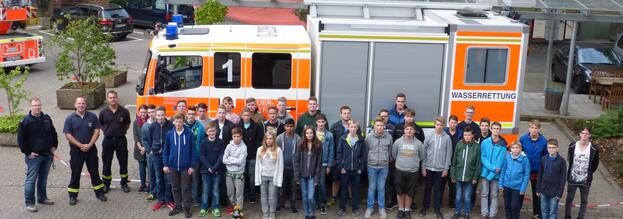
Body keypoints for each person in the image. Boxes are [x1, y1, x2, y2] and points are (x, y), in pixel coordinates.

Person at [63, 97, 107, 206]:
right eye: (79, 103)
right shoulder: (70, 118)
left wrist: (90, 144)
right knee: (75, 173)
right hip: (76, 152)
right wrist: (80, 145)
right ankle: (73, 195)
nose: (81, 105)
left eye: (83, 103)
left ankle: (99, 193)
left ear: (86, 105)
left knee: (94, 172)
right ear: (75, 105)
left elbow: (97, 131)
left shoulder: (92, 116)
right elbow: (68, 135)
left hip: (91, 150)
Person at [18, 97, 58, 212]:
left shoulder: (46, 118)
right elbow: (21, 140)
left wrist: (54, 146)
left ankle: (42, 198)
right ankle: (30, 203)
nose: (38, 107)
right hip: (34, 157)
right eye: (35, 105)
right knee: (31, 180)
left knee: (43, 179)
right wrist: (28, 153)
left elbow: (53, 133)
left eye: (39, 105)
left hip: (47, 155)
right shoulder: (25, 121)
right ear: (30, 107)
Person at [163, 113, 197, 218]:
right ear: (173, 122)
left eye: (180, 121)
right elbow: (166, 150)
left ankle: (186, 208)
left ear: (183, 122)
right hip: (173, 167)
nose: (178, 123)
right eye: (176, 121)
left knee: (186, 188)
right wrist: (165, 164)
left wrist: (192, 166)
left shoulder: (189, 134)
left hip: (185, 167)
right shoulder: (169, 134)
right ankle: (178, 207)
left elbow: (193, 151)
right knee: (175, 187)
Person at [99, 90, 132, 193]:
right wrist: (107, 131)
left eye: (114, 97)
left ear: (117, 98)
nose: (112, 99)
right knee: (106, 163)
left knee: (123, 162)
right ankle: (106, 184)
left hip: (121, 140)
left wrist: (120, 131)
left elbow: (127, 124)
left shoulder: (124, 111)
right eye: (110, 98)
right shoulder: (103, 112)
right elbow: (100, 124)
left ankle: (124, 183)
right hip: (108, 141)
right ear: (107, 99)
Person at [420, 117, 452, 219]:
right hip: (428, 168)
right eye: (437, 124)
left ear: (443, 126)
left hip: (440, 170)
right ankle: (425, 208)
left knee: (438, 190)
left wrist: (446, 168)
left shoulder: (447, 138)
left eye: (441, 125)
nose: (439, 127)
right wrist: (423, 167)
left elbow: (448, 154)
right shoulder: (429, 136)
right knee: (427, 189)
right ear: (434, 125)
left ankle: (437, 210)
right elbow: (424, 152)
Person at [329, 106, 361, 207]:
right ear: (341, 114)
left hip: (350, 160)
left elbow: (359, 141)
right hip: (338, 158)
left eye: (348, 113)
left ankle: (351, 199)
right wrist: (333, 158)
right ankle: (334, 198)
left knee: (350, 181)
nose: (346, 115)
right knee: (336, 179)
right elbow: (332, 142)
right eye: (344, 113)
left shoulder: (354, 126)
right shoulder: (335, 126)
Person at [564, 127, 599, 219]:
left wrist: (589, 172)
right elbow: (570, 159)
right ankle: (567, 216)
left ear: (589, 135)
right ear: (579, 134)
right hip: (573, 177)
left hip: (586, 179)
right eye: (583, 133)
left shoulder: (594, 148)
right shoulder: (572, 146)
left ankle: (580, 217)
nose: (584, 135)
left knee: (584, 200)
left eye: (586, 133)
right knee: (569, 199)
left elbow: (595, 164)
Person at [392, 123, 426, 219]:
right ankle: (400, 209)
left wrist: (413, 162)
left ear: (414, 131)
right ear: (404, 130)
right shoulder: (398, 142)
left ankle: (407, 210)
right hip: (399, 170)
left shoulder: (419, 143)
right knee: (399, 191)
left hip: (413, 172)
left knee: (409, 192)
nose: (409, 131)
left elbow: (422, 156)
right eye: (407, 129)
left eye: (411, 129)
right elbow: (394, 155)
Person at [146, 106, 175, 211]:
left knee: (168, 179)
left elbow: (172, 140)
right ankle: (161, 200)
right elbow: (149, 140)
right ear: (155, 115)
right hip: (156, 156)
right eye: (158, 115)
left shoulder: (171, 126)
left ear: (165, 115)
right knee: (159, 178)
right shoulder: (152, 126)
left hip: (167, 156)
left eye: (162, 115)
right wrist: (152, 150)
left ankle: (169, 200)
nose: (160, 117)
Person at [336, 120, 366, 217]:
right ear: (348, 128)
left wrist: (361, 168)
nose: (353, 129)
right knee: (344, 190)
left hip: (356, 170)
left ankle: (355, 208)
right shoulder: (343, 139)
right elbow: (339, 154)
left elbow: (363, 155)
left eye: (355, 127)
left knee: (355, 190)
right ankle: (342, 208)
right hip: (345, 170)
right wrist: (341, 167)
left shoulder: (361, 140)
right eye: (351, 127)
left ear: (357, 128)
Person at [364, 117, 393, 219]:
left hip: (384, 166)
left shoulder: (389, 137)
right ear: (374, 126)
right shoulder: (369, 137)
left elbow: (390, 151)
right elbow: (366, 151)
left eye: (381, 125)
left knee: (381, 188)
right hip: (371, 166)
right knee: (372, 187)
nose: (380, 127)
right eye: (378, 125)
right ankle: (370, 208)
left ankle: (381, 208)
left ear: (384, 126)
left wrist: (385, 160)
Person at [450, 127, 481, 219]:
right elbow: (454, 160)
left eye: (469, 135)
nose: (467, 137)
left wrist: (475, 177)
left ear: (472, 136)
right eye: (465, 135)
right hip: (458, 175)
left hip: (470, 176)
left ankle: (466, 213)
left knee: (467, 196)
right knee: (458, 195)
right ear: (463, 135)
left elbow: (478, 163)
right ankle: (457, 211)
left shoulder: (477, 146)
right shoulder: (459, 144)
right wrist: (453, 174)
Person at [519, 120, 548, 219]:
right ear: (529, 128)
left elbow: (545, 155)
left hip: (537, 172)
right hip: (525, 170)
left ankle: (537, 213)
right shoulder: (523, 139)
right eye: (532, 128)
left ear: (539, 129)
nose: (534, 130)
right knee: (520, 191)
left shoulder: (544, 141)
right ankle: (516, 210)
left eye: (536, 128)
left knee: (537, 194)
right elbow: (519, 152)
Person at [479, 122, 507, 219]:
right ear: (490, 129)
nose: (495, 130)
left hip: (496, 174)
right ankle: (484, 213)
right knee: (484, 193)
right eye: (494, 128)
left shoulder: (503, 144)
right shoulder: (484, 142)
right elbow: (483, 157)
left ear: (500, 130)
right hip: (486, 173)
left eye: (497, 129)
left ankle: (492, 214)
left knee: (494, 195)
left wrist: (493, 173)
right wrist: (492, 169)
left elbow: (501, 161)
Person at [295, 127, 324, 219]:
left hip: (312, 175)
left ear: (314, 134)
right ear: (304, 134)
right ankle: (307, 214)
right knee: (304, 195)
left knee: (310, 196)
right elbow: (296, 161)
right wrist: (297, 177)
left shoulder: (318, 145)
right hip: (302, 175)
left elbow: (319, 163)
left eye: (311, 133)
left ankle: (312, 213)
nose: (309, 135)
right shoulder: (300, 144)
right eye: (307, 133)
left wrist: (316, 178)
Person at [255, 132, 284, 219]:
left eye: (271, 139)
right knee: (263, 195)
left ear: (274, 140)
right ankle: (265, 212)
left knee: (272, 196)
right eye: (267, 139)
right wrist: (257, 178)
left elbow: (280, 166)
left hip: (273, 177)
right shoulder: (260, 149)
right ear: (264, 140)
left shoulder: (278, 150)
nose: (269, 140)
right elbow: (257, 165)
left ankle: (272, 212)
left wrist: (279, 180)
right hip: (263, 176)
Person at [237, 108, 264, 204]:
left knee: (252, 178)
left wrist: (255, 149)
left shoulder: (257, 126)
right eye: (244, 115)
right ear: (241, 116)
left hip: (252, 156)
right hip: (241, 157)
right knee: (242, 177)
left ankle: (252, 196)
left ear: (251, 116)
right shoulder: (238, 126)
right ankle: (242, 196)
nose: (246, 117)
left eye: (248, 115)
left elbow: (259, 140)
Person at [199, 122, 225, 217]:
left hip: (217, 170)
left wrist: (214, 168)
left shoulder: (220, 142)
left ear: (216, 131)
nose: (212, 132)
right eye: (210, 131)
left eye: (213, 130)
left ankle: (215, 208)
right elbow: (202, 156)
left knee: (215, 189)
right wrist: (209, 167)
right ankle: (204, 207)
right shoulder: (203, 142)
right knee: (205, 190)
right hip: (205, 170)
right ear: (206, 132)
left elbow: (221, 155)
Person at [536, 138, 566, 219]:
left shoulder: (562, 161)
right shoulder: (543, 159)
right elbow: (540, 175)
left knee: (553, 212)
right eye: (549, 147)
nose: (551, 149)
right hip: (543, 190)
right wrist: (538, 189)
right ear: (547, 148)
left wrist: (560, 193)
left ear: (557, 148)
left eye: (553, 147)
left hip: (555, 192)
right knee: (544, 210)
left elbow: (563, 178)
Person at [499, 141, 530, 219]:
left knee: (514, 206)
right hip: (506, 186)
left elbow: (527, 175)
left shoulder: (524, 159)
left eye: (517, 148)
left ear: (520, 149)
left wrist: (523, 188)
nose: (515, 150)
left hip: (517, 187)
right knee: (507, 205)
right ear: (510, 149)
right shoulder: (507, 157)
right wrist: (500, 184)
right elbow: (503, 170)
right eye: (513, 148)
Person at [276, 118, 301, 213]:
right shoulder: (279, 138)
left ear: (294, 127)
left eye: (291, 126)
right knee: (281, 187)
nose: (289, 128)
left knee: (293, 188)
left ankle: (293, 206)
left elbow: (299, 153)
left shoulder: (298, 138)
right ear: (284, 127)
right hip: (282, 167)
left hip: (294, 167)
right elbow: (276, 152)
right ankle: (280, 204)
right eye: (287, 126)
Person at [223, 127, 248, 213]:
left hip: (239, 173)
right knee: (230, 192)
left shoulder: (244, 147)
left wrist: (230, 158)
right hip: (229, 172)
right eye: (234, 136)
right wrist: (235, 159)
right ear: (232, 136)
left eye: (238, 136)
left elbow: (240, 161)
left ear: (241, 136)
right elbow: (224, 159)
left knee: (239, 193)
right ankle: (233, 205)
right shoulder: (229, 146)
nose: (236, 138)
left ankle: (238, 209)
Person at [186, 106, 205, 206]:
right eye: (189, 114)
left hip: (195, 158)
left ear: (195, 115)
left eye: (193, 114)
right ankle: (186, 198)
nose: (191, 116)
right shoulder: (183, 125)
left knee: (195, 179)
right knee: (185, 180)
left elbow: (202, 141)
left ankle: (194, 198)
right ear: (186, 114)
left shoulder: (200, 126)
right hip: (184, 158)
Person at [315, 113, 334, 215]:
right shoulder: (312, 133)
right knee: (314, 184)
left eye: (323, 122)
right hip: (312, 164)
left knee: (322, 184)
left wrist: (329, 165)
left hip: (323, 164)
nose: (321, 124)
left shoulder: (329, 135)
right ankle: (315, 203)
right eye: (319, 122)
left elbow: (331, 150)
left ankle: (323, 204)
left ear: (325, 122)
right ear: (316, 122)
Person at [443, 115, 463, 208]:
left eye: (455, 122)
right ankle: (439, 203)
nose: (453, 124)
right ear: (448, 122)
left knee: (453, 185)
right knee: (441, 184)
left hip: (455, 163)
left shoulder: (460, 133)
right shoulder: (444, 132)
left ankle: (452, 203)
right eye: (452, 122)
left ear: (457, 123)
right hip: (444, 162)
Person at [132, 104, 149, 193]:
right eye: (141, 112)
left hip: (148, 150)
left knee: (150, 169)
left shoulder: (150, 122)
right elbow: (135, 137)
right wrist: (141, 148)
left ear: (147, 112)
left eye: (144, 112)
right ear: (139, 112)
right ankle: (142, 185)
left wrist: (145, 148)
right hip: (139, 149)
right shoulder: (136, 122)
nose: (143, 114)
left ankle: (150, 185)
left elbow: (151, 137)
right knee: (141, 168)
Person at [142, 105, 157, 200]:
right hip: (150, 155)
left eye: (153, 112)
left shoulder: (159, 124)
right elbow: (144, 140)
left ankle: (160, 192)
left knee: (160, 174)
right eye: (149, 112)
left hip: (159, 154)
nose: (151, 114)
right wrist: (150, 151)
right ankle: (152, 192)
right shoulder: (145, 126)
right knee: (151, 174)